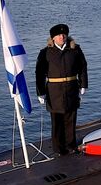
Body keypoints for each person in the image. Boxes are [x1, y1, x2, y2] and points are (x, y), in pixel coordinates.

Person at [35, 24, 88, 155]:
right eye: (58, 35)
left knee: (71, 118)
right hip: (54, 91)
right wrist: (40, 92)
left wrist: (83, 85)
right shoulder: (45, 53)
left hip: (71, 88)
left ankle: (71, 145)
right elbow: (39, 73)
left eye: (64, 34)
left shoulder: (75, 50)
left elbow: (82, 67)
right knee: (57, 120)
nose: (62, 37)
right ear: (53, 38)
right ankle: (58, 148)